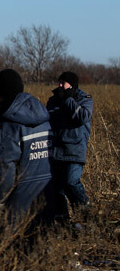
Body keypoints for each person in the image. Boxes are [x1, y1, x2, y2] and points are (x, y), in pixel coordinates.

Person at [0, 69, 55, 227]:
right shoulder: (44, 119)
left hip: (19, 209)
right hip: (49, 198)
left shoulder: (7, 128)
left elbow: (4, 173)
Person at [46, 71, 93, 219]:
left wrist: (67, 100)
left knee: (71, 182)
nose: (60, 85)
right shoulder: (53, 100)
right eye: (59, 82)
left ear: (71, 84)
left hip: (74, 150)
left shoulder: (84, 99)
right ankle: (62, 222)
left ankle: (85, 213)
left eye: (63, 82)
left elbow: (82, 117)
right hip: (55, 151)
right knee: (56, 189)